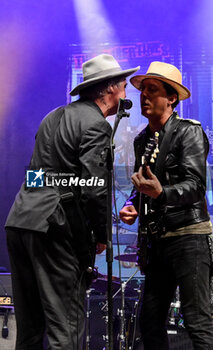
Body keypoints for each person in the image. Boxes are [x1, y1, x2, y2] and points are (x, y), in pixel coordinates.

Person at [5, 54, 139, 350]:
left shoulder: (52, 116)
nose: (127, 92)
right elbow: (94, 189)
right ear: (109, 89)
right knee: (65, 327)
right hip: (55, 229)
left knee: (29, 329)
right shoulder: (96, 125)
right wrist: (101, 235)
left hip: (21, 220)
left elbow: (36, 176)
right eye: (124, 86)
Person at [119, 61, 213, 349]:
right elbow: (144, 186)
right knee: (149, 321)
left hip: (189, 237)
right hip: (157, 242)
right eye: (143, 90)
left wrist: (161, 193)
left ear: (172, 98)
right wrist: (132, 204)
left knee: (196, 320)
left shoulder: (189, 132)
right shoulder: (142, 139)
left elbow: (195, 186)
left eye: (153, 90)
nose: (144, 96)